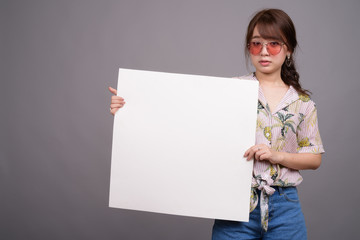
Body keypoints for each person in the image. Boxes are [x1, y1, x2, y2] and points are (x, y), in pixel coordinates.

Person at [109, 8, 324, 240]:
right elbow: (184, 122)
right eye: (256, 44)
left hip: (285, 208)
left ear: (288, 49)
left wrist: (276, 155)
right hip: (235, 205)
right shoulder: (231, 90)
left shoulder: (302, 103)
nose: (264, 52)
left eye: (273, 44)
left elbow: (314, 158)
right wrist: (129, 109)